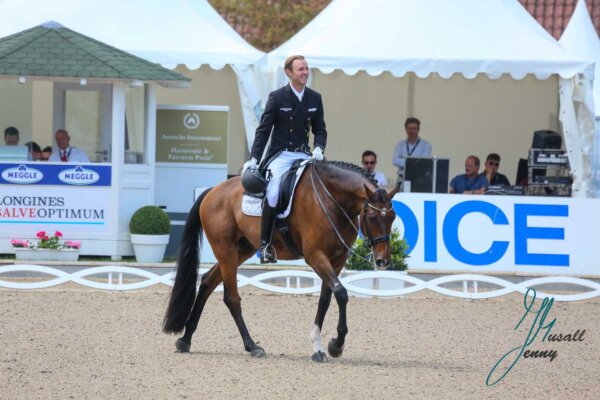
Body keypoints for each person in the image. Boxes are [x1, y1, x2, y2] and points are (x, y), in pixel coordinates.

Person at [242, 55, 327, 263]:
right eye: (301, 69)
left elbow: (320, 130)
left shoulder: (315, 98)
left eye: (307, 68)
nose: (305, 72)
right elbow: (263, 131)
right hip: (281, 154)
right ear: (289, 73)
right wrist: (254, 158)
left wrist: (319, 148)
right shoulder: (277, 97)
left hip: (304, 154)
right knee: (272, 193)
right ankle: (266, 244)